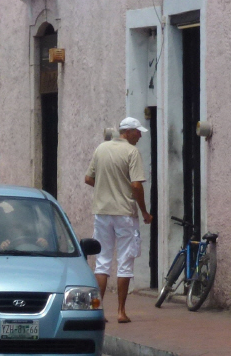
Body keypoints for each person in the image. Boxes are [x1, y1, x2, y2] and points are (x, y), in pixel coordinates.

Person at [84, 116, 153, 324]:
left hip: (102, 212)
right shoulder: (132, 152)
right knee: (125, 263)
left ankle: (98, 311)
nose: (140, 136)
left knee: (102, 262)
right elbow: (136, 186)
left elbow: (89, 178)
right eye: (138, 132)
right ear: (128, 132)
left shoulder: (101, 148)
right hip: (124, 213)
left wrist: (105, 188)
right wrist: (144, 211)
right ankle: (121, 312)